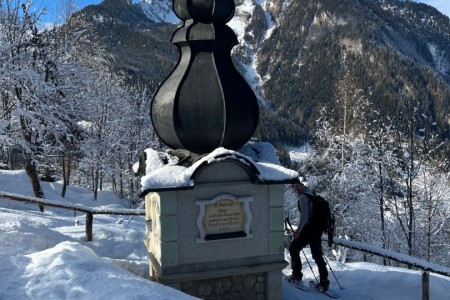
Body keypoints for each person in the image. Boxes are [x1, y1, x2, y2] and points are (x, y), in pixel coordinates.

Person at [287, 178, 330, 291]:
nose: (296, 188)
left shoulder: (303, 197)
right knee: (317, 256)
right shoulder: (312, 194)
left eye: (297, 186)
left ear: (303, 185)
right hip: (317, 230)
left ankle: (297, 276)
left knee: (293, 249)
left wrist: (298, 232)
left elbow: (305, 217)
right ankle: (324, 283)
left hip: (308, 230)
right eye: (294, 186)